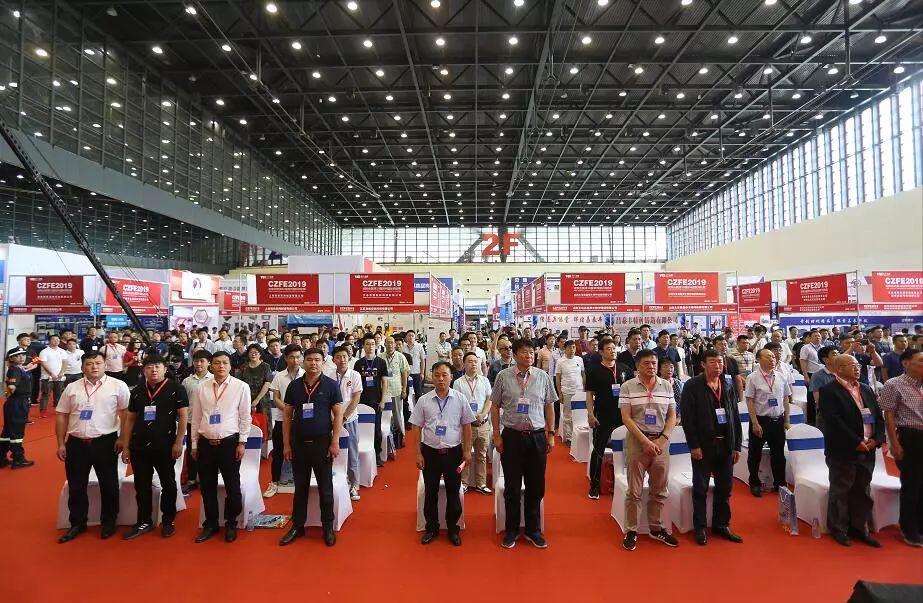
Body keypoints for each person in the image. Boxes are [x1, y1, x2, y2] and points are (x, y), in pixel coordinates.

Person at [55, 351, 131, 543]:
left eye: (98, 363)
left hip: (105, 442)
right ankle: (77, 523)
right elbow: (62, 414)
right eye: (89, 363)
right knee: (76, 485)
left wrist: (123, 438)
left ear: (105, 365)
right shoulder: (72, 387)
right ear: (82, 367)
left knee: (109, 484)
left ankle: (109, 522)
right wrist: (61, 443)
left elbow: (127, 414)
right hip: (76, 443)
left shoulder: (118, 385)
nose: (94, 367)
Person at [491, 339, 557, 549]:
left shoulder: (542, 376)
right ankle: (511, 530)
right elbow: (495, 406)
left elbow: (549, 406)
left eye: (531, 352)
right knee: (512, 485)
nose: (529, 355)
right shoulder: (503, 376)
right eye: (524, 352)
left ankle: (532, 530)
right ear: (515, 355)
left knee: (536, 485)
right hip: (511, 436)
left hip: (537, 436)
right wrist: (496, 435)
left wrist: (551, 434)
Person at [118, 354, 188, 539]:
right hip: (139, 446)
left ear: (165, 368)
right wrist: (126, 446)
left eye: (157, 366)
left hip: (165, 446)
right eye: (149, 367)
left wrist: (178, 442)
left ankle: (168, 520)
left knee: (168, 484)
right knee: (142, 486)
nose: (154, 370)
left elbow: (183, 417)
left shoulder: (176, 388)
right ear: (144, 370)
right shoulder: (137, 390)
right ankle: (144, 521)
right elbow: (130, 419)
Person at [818, 354, 885, 547]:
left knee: (862, 490)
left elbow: (877, 416)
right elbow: (833, 421)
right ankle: (839, 529)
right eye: (852, 365)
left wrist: (877, 439)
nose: (857, 368)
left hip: (868, 448)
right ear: (839, 369)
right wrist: (856, 441)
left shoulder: (865, 388)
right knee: (841, 490)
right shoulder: (829, 391)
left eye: (857, 365)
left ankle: (860, 528)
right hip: (844, 449)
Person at [278, 348, 343, 547]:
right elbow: (287, 416)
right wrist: (286, 444)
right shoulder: (294, 386)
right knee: (300, 488)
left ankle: (327, 526)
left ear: (323, 362)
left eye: (317, 360)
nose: (313, 363)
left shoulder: (331, 385)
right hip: (298, 444)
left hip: (322, 443)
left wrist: (335, 441)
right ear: (303, 362)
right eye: (309, 359)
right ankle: (298, 526)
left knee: (326, 488)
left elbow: (338, 415)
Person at [679, 349, 743, 546]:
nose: (717, 366)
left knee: (725, 488)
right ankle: (700, 527)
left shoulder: (727, 385)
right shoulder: (692, 386)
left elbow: (735, 416)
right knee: (701, 488)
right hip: (703, 446)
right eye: (713, 362)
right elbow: (687, 419)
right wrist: (694, 445)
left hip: (726, 445)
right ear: (703, 364)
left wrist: (737, 445)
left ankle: (721, 524)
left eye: (720, 362)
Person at [618, 349, 678, 550]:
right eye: (646, 363)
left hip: (661, 442)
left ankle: (656, 527)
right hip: (638, 442)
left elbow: (672, 416)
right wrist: (644, 442)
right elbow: (626, 417)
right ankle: (631, 530)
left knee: (659, 489)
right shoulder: (628, 386)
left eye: (654, 363)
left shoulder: (666, 385)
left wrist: (663, 439)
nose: (651, 366)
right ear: (637, 366)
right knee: (634, 491)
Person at [189, 351, 252, 543]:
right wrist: (194, 444)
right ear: (211, 365)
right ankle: (211, 524)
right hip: (205, 444)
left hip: (229, 443)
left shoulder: (241, 387)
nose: (221, 366)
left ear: (231, 366)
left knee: (232, 486)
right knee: (207, 486)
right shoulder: (201, 387)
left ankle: (231, 522)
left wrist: (242, 442)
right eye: (217, 363)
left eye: (225, 362)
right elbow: (196, 417)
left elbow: (245, 417)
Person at [412, 361, 475, 546]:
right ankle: (431, 527)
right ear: (432, 377)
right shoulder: (424, 400)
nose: (440, 379)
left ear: (451, 377)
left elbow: (467, 426)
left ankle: (453, 528)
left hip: (453, 453)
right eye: (437, 375)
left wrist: (466, 451)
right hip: (430, 453)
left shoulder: (460, 399)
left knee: (453, 491)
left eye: (444, 375)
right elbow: (416, 427)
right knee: (430, 491)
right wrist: (418, 453)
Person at [879, 349, 923, 547]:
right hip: (910, 436)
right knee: (912, 484)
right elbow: (888, 416)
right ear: (906, 363)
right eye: (921, 362)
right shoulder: (894, 384)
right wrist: (894, 444)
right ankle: (908, 529)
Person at [744, 349, 792, 497]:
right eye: (768, 356)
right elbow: (750, 401)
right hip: (760, 420)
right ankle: (754, 483)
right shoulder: (752, 378)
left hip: (778, 420)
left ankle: (780, 483)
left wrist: (787, 420)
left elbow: (786, 399)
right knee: (755, 454)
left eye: (773, 356)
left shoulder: (781, 376)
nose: (772, 359)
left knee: (778, 454)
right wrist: (755, 423)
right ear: (759, 359)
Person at [585, 338, 625, 499]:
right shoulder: (594, 371)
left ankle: (623, 483)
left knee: (627, 449)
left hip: (624, 416)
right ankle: (594, 486)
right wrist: (590, 414)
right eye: (608, 348)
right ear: (601, 352)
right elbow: (589, 394)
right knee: (598, 450)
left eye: (614, 348)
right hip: (603, 415)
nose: (612, 351)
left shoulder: (624, 369)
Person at [264, 344, 304, 498]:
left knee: (301, 453)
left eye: (298, 357)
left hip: (301, 420)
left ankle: (301, 482)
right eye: (291, 357)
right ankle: (274, 482)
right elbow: (276, 398)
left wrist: (296, 413)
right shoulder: (279, 376)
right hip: (282, 419)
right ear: (286, 358)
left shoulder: (306, 374)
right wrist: (289, 411)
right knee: (278, 453)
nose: (295, 360)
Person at [325, 345, 363, 500]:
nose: (341, 360)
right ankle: (337, 481)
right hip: (331, 419)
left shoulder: (355, 375)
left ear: (349, 358)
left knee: (352, 452)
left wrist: (344, 418)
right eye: (338, 357)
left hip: (350, 419)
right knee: (333, 451)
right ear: (333, 360)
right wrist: (333, 418)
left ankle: (354, 485)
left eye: (344, 357)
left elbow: (356, 398)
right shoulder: (328, 376)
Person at [452, 352, 492, 495]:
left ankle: (481, 483)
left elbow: (490, 399)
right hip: (467, 425)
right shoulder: (458, 383)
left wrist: (483, 414)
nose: (473, 364)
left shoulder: (484, 380)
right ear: (464, 364)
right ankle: (464, 483)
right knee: (465, 454)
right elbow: (457, 403)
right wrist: (471, 417)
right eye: (470, 361)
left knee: (482, 455)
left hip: (483, 423)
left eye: (475, 361)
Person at [355, 335, 389, 467]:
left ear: (376, 346)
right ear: (363, 346)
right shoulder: (359, 363)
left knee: (377, 429)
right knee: (362, 429)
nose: (370, 346)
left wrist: (383, 400)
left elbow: (384, 382)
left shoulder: (381, 362)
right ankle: (360, 454)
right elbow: (356, 384)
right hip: (362, 400)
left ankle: (377, 454)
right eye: (367, 344)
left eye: (373, 344)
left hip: (376, 400)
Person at [1, 349, 36, 469]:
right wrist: (10, 390)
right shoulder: (15, 369)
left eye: (23, 355)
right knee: (17, 432)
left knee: (7, 432)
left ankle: (1, 457)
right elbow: (12, 386)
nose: (22, 357)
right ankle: (18, 458)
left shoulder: (18, 368)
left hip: (15, 403)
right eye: (18, 356)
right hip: (18, 403)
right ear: (11, 358)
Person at [554, 340, 585, 446]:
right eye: (569, 347)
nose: (572, 349)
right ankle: (569, 438)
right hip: (567, 391)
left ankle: (578, 436)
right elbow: (558, 378)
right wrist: (560, 393)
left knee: (579, 415)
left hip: (579, 391)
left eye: (573, 347)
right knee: (567, 416)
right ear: (565, 349)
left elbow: (583, 374)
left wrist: (584, 389)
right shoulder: (560, 361)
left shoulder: (579, 359)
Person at [382, 336, 410, 448]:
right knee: (385, 417)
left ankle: (401, 436)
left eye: (392, 343)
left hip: (396, 390)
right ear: (384, 344)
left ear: (394, 344)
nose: (390, 345)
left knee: (397, 415)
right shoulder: (380, 357)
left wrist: (404, 389)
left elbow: (404, 374)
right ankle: (388, 440)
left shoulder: (400, 356)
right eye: (388, 342)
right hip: (384, 392)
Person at [799, 329, 824, 425]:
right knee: (811, 397)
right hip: (811, 374)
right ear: (810, 338)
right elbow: (803, 362)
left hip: (822, 374)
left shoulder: (823, 347)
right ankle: (811, 420)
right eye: (815, 336)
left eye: (819, 336)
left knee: (823, 396)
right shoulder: (806, 348)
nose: (818, 337)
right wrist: (806, 376)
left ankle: (822, 417)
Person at [404, 330, 427, 402]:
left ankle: (419, 407)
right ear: (406, 337)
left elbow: (422, 361)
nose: (411, 337)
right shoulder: (403, 347)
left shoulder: (419, 347)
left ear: (414, 337)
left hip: (416, 373)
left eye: (412, 336)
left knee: (418, 393)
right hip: (406, 374)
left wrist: (422, 373)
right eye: (409, 335)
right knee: (406, 393)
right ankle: (407, 408)